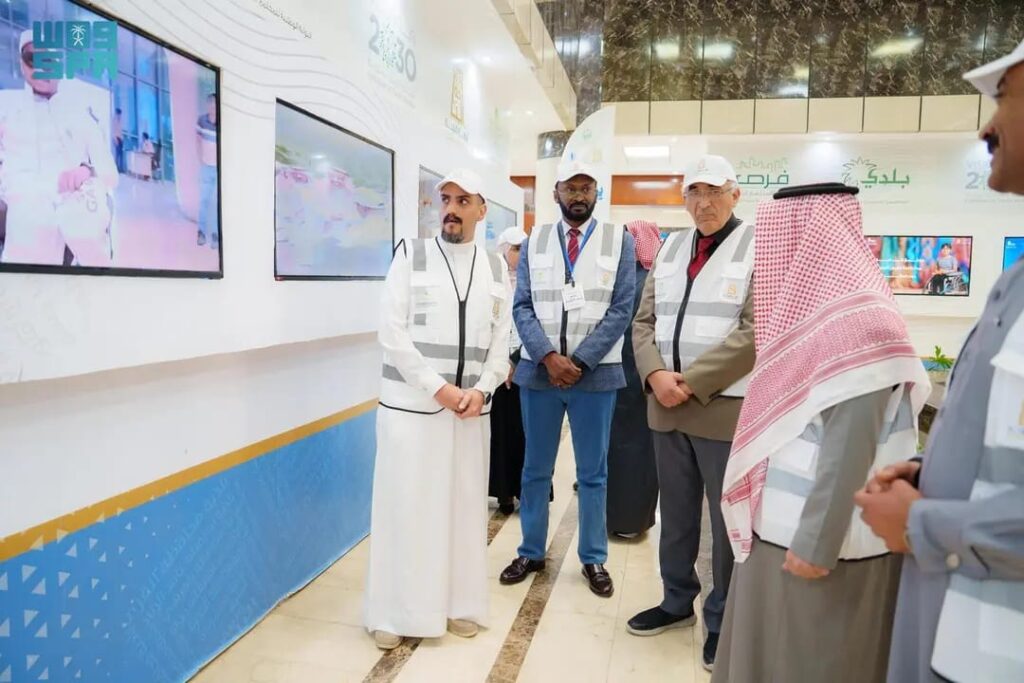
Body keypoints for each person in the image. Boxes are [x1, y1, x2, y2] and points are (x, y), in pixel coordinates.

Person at [856, 39, 1024, 683]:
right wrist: (937, 471)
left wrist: (924, 522)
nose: (986, 127)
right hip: (949, 637)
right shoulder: (1014, 283)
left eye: (1004, 99)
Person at [715, 183, 930, 683]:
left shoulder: (859, 325)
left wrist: (816, 543)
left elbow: (849, 444)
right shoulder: (822, 321)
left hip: (823, 548)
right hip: (780, 534)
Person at [363, 168, 512, 650]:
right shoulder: (411, 255)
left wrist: (483, 390)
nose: (450, 209)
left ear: (481, 210)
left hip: (470, 413)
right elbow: (392, 334)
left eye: (462, 201)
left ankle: (458, 605)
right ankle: (392, 612)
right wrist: (438, 389)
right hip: (412, 411)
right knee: (406, 509)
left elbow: (501, 342)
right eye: (445, 199)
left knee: (464, 511)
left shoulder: (496, 267)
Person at [627, 155, 756, 673]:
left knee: (725, 525)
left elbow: (755, 330)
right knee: (676, 514)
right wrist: (656, 375)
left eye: (714, 192)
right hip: (666, 406)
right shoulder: (670, 247)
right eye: (695, 193)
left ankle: (722, 619)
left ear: (735, 195)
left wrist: (692, 381)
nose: (704, 203)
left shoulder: (756, 246)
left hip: (721, 407)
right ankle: (676, 600)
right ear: (684, 200)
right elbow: (643, 322)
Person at [499, 160, 636, 598]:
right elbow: (522, 305)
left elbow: (622, 308)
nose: (578, 195)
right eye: (570, 188)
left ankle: (593, 558)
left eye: (586, 187)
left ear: (597, 192)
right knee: (534, 470)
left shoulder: (619, 240)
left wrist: (579, 360)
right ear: (555, 192)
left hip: (595, 377)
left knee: (593, 473)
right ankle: (531, 551)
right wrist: (548, 357)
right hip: (540, 375)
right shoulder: (535, 240)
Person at [0, 30, 118, 267]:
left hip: (71, 232)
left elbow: (110, 173)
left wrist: (86, 170)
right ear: (22, 64)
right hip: (20, 233)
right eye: (33, 59)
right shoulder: (6, 107)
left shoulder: (79, 112)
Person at [605, 219, 662, 539]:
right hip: (643, 380)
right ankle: (636, 520)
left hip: (625, 376)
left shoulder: (636, 279)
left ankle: (621, 520)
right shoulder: (656, 278)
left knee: (622, 450)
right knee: (641, 451)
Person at [489, 225, 529, 515]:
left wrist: (516, 360)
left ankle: (528, 491)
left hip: (527, 365)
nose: (520, 254)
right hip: (497, 371)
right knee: (501, 433)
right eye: (515, 249)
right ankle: (504, 493)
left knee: (527, 433)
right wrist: (501, 363)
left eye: (523, 248)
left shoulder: (533, 280)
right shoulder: (491, 281)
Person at [196, 93, 218, 248]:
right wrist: (201, 160)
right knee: (204, 200)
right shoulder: (202, 121)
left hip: (218, 169)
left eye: (215, 104)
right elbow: (197, 141)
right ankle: (201, 233)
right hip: (206, 167)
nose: (212, 106)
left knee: (217, 202)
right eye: (210, 103)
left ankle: (216, 236)